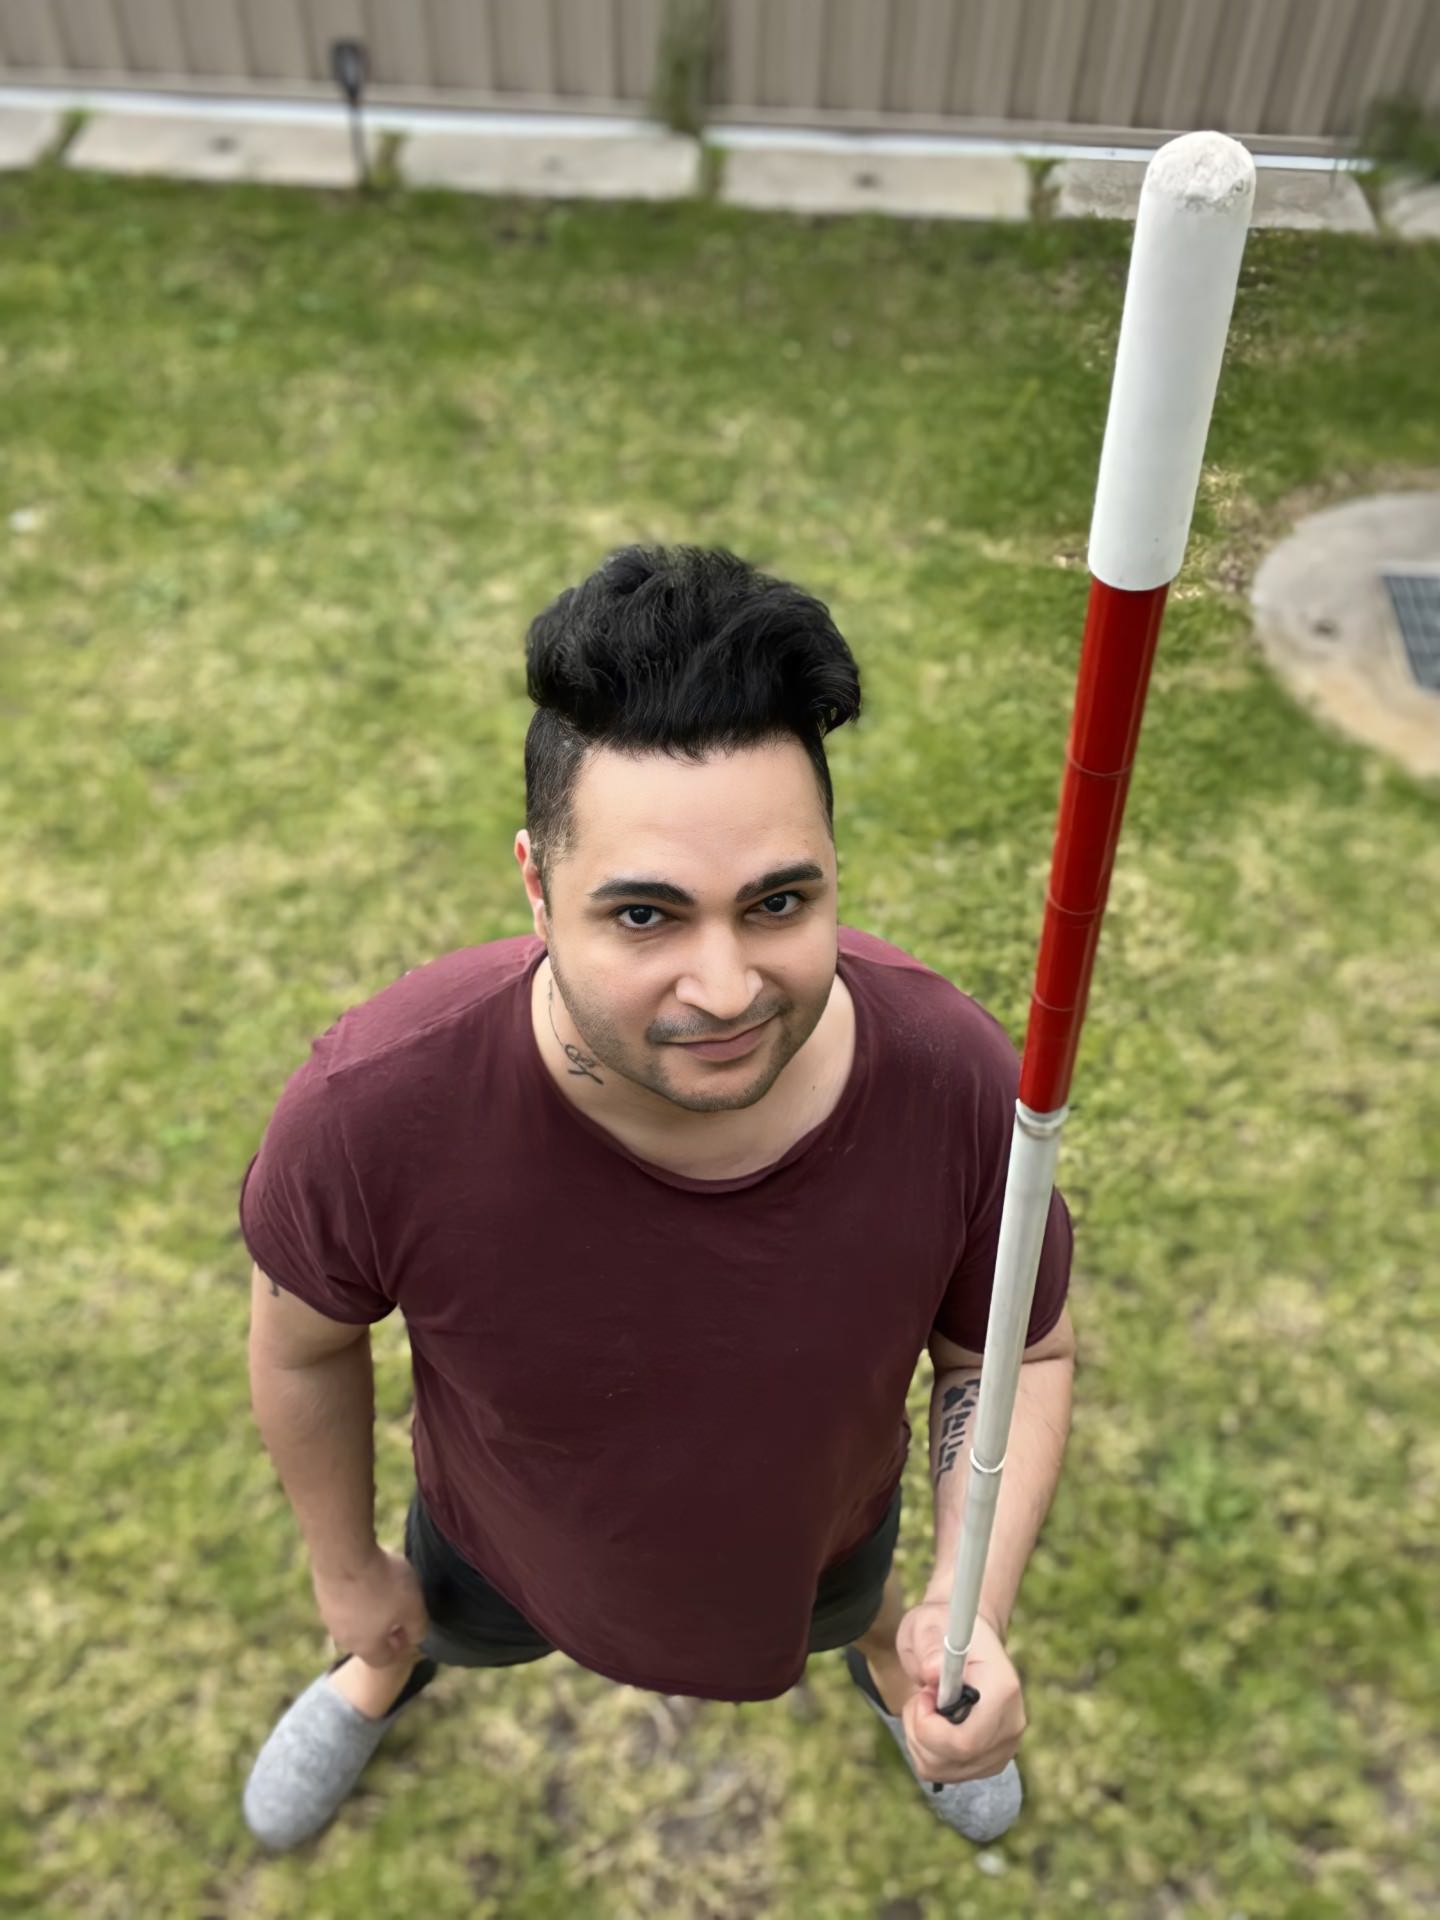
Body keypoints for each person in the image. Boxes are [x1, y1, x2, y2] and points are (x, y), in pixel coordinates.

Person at [240, 544, 1076, 1852]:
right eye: (645, 917)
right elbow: (302, 1340)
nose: (728, 989)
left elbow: (1011, 1351)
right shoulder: (373, 1109)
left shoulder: (957, 1082)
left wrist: (972, 1615)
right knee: (427, 1622)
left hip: (818, 1546)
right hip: (495, 1538)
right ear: (535, 884)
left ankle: (908, 1669)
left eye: (779, 902)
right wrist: (350, 1574)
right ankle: (382, 1668)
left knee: (868, 1620)